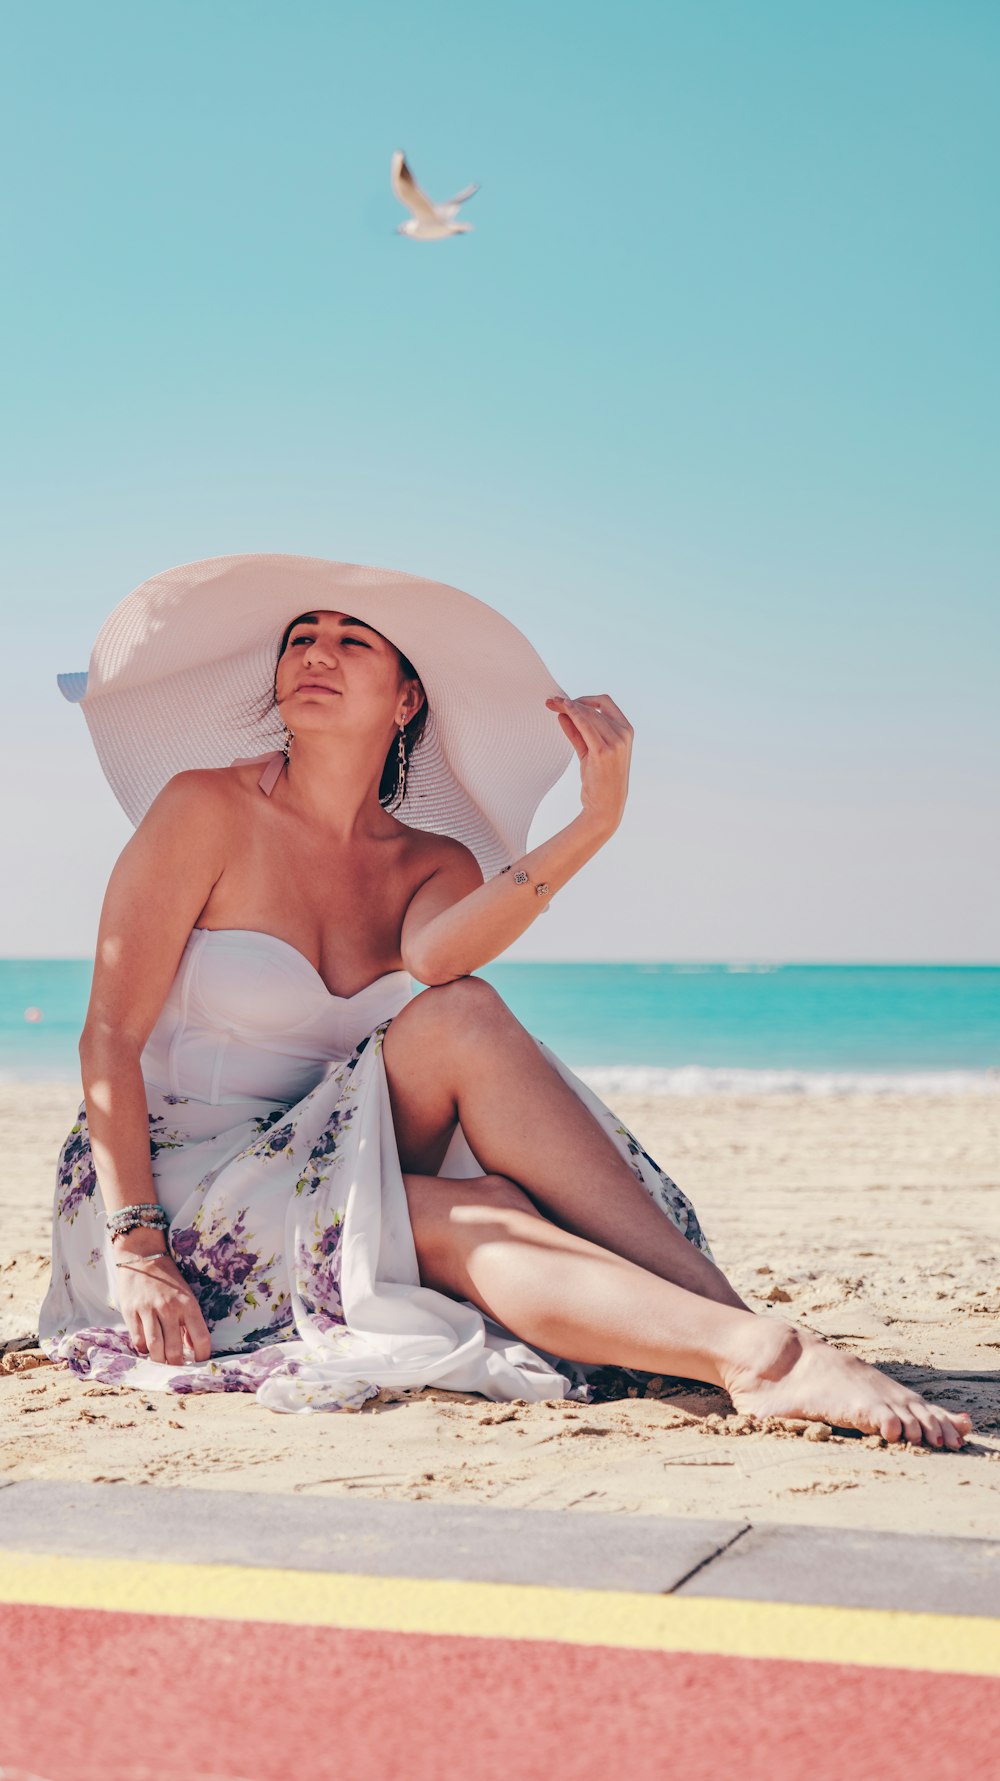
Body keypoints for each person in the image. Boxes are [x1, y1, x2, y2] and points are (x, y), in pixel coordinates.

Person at [39, 553, 972, 1446]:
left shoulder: (430, 861)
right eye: (300, 638)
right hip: (172, 1187)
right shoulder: (204, 808)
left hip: (319, 1151)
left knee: (463, 1017)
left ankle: (732, 1325)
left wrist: (595, 823)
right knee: (455, 1213)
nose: (316, 653)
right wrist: (139, 1248)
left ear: (407, 698)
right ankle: (760, 1356)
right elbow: (108, 1040)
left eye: (351, 640)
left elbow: (438, 958)